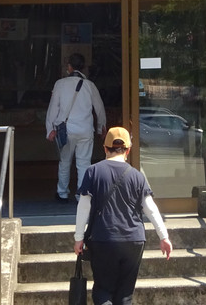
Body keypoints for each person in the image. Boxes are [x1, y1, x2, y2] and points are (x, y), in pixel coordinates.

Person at [74, 126, 172, 305]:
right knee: (125, 296)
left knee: (103, 291)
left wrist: (78, 238)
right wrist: (163, 237)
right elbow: (150, 208)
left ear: (105, 148)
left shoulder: (93, 172)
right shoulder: (137, 176)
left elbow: (83, 207)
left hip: (103, 238)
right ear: (128, 150)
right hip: (134, 240)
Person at [46, 53, 106, 203]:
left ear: (69, 67)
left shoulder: (60, 84)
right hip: (85, 130)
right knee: (84, 163)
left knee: (65, 162)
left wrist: (50, 128)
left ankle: (62, 193)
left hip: (65, 130)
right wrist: (101, 128)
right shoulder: (90, 85)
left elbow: (53, 108)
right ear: (83, 67)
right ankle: (82, 195)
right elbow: (99, 109)